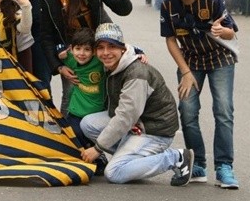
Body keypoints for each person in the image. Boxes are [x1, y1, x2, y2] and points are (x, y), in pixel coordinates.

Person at [79, 23, 194, 186]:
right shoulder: (113, 63)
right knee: (88, 124)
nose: (105, 53)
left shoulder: (137, 74)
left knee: (114, 173)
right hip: (136, 123)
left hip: (154, 130)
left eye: (112, 46)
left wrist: (97, 149)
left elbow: (125, 117)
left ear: (122, 49)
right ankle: (130, 157)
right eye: (101, 48)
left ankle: (176, 157)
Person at [160, 0, 240, 189]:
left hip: (220, 58)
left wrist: (221, 30)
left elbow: (231, 33)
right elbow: (171, 40)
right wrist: (185, 72)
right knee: (187, 110)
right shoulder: (168, 5)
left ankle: (225, 167)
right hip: (191, 61)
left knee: (223, 110)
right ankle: (199, 164)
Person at [38, 0, 132, 114]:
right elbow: (46, 36)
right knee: (70, 94)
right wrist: (58, 67)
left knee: (109, 89)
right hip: (74, 51)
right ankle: (67, 137)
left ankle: (107, 132)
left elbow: (124, 10)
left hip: (102, 44)